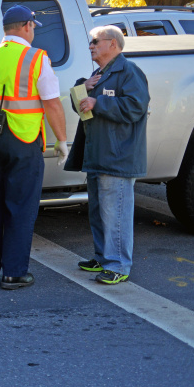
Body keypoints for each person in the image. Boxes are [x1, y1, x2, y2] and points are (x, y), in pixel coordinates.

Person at [0, 5, 69, 290]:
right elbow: (52, 103)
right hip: (24, 140)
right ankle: (14, 273)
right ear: (27, 27)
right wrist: (62, 140)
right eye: (32, 27)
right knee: (20, 207)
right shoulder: (36, 58)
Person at [66, 25, 149, 284]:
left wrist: (98, 102)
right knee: (100, 212)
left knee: (116, 214)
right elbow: (81, 107)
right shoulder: (98, 74)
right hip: (97, 155)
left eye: (95, 42)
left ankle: (118, 265)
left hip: (117, 158)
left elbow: (136, 107)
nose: (91, 46)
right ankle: (103, 258)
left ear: (112, 44)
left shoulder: (129, 72)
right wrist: (82, 87)